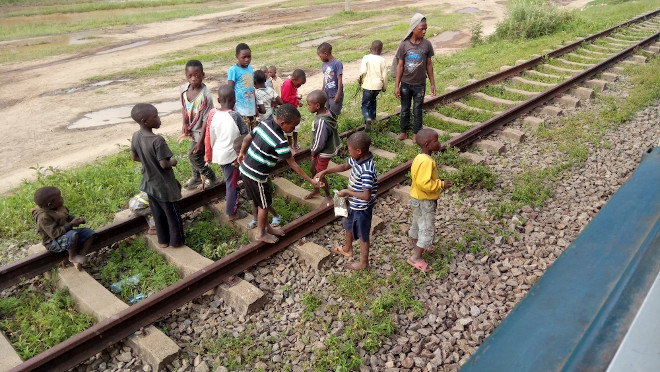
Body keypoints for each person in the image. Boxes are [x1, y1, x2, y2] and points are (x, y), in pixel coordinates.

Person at [237, 103, 323, 243]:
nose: (294, 129)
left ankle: (268, 228)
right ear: (283, 122)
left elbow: (247, 138)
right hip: (256, 176)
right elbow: (293, 164)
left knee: (263, 201)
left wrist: (241, 153)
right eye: (293, 126)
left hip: (246, 170)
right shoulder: (280, 141)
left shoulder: (264, 124)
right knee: (263, 205)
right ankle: (260, 234)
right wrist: (311, 181)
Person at [317, 132, 377, 271]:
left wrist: (347, 192)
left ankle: (364, 263)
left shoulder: (367, 169)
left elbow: (366, 196)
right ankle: (347, 248)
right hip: (354, 203)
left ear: (359, 151)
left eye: (349, 150)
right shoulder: (357, 159)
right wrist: (325, 172)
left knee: (363, 235)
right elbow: (344, 166)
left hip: (362, 208)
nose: (348, 152)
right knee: (348, 225)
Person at [131, 103, 184, 248]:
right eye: (155, 116)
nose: (159, 118)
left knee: (157, 214)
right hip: (164, 186)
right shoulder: (157, 140)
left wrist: (148, 160)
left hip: (149, 183)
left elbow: (135, 156)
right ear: (145, 121)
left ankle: (163, 241)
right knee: (172, 214)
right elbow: (164, 164)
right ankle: (176, 242)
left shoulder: (136, 136)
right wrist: (173, 161)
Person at [406, 129, 452, 272]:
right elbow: (424, 184)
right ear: (427, 144)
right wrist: (441, 184)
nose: (438, 143)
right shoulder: (427, 162)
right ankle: (416, 257)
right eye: (436, 141)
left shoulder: (419, 157)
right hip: (425, 201)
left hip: (416, 198)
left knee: (417, 222)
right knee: (426, 228)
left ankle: (417, 245)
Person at [204, 84, 249, 221]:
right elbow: (245, 136)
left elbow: (211, 135)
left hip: (219, 154)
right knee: (233, 184)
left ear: (218, 100)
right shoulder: (235, 116)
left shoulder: (213, 114)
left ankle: (234, 201)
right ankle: (232, 212)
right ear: (234, 100)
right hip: (232, 156)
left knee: (231, 179)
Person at [32, 186, 96, 270]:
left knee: (90, 233)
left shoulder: (58, 207)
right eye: (59, 198)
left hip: (66, 235)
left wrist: (76, 220)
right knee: (72, 234)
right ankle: (72, 257)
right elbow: (55, 234)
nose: (62, 198)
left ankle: (81, 254)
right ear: (50, 204)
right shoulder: (43, 217)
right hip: (53, 242)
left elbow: (66, 217)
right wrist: (71, 224)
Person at [395, 13, 436, 142]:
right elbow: (400, 66)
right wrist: (397, 85)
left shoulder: (427, 45)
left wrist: (432, 83)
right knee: (405, 109)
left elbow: (429, 64)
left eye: (425, 29)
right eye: (421, 29)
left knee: (417, 110)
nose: (424, 31)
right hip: (406, 84)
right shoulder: (404, 45)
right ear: (413, 28)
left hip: (420, 85)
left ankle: (416, 133)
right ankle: (403, 132)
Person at [180, 59, 217, 190]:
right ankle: (196, 177)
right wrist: (184, 123)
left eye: (197, 75)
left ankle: (211, 177)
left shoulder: (206, 96)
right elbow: (184, 107)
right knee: (193, 152)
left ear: (203, 75)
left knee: (193, 154)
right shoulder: (184, 89)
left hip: (202, 130)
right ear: (186, 75)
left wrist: (201, 141)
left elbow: (206, 120)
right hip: (192, 129)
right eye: (190, 76)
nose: (193, 79)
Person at [232, 135, 281, 229]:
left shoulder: (255, 160)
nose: (237, 154)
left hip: (262, 185)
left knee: (264, 204)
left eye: (238, 152)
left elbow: (257, 174)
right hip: (251, 185)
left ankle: (276, 215)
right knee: (254, 203)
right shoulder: (242, 159)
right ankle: (256, 219)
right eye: (236, 152)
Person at [304, 90, 340, 205]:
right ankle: (316, 190)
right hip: (323, 150)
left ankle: (328, 196)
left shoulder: (320, 122)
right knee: (312, 169)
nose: (308, 107)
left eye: (309, 105)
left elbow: (319, 143)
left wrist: (314, 152)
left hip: (323, 152)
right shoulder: (327, 112)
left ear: (317, 105)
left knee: (319, 173)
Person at [359, 40, 388, 132]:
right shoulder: (382, 60)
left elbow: (363, 71)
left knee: (365, 104)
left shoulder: (366, 57)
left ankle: (367, 118)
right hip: (377, 86)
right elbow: (384, 76)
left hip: (368, 85)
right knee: (373, 101)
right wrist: (384, 87)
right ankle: (373, 119)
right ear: (381, 50)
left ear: (370, 49)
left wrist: (359, 79)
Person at [228, 43, 257, 131]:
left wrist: (255, 106)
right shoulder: (233, 70)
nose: (247, 59)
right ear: (237, 56)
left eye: (249, 57)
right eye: (243, 57)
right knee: (245, 134)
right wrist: (231, 107)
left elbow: (252, 88)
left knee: (254, 133)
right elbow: (230, 89)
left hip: (251, 109)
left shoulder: (250, 68)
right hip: (241, 110)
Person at [280, 69, 306, 151]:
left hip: (294, 109)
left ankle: (295, 143)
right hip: (288, 111)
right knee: (289, 129)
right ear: (294, 80)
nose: (299, 86)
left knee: (296, 128)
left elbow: (293, 95)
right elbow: (284, 98)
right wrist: (295, 97)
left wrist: (298, 101)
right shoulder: (287, 84)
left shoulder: (294, 85)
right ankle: (290, 144)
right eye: (299, 84)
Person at [317, 42, 343, 118]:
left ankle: (333, 129)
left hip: (334, 94)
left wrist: (338, 94)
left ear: (325, 53)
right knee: (326, 113)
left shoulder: (337, 63)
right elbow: (325, 77)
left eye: (320, 56)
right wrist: (322, 90)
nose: (320, 58)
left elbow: (340, 79)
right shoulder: (324, 64)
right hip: (327, 93)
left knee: (333, 115)